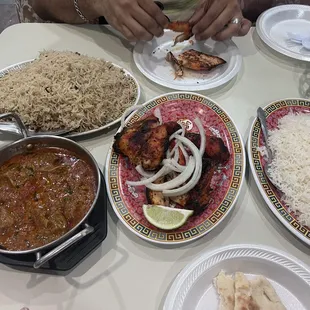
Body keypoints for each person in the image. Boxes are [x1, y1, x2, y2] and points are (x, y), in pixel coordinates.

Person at [15, 0, 305, 42]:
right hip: (100, 39)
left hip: (210, 42)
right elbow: (42, 7)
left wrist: (238, 3)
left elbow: (265, 3)